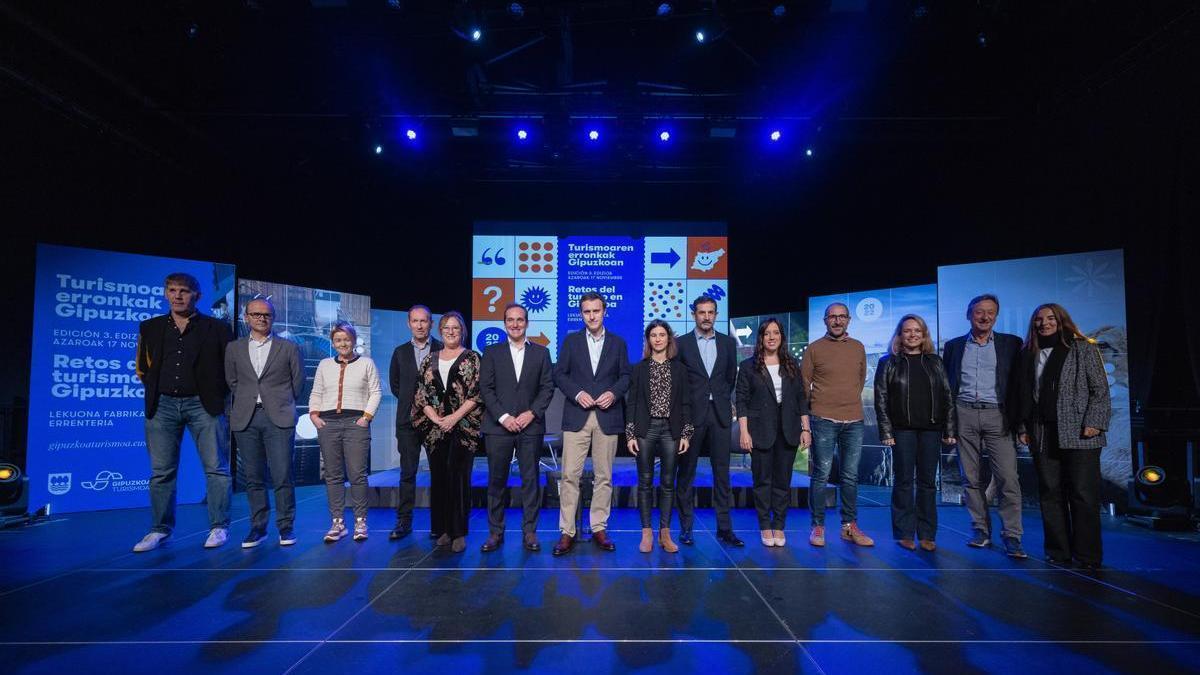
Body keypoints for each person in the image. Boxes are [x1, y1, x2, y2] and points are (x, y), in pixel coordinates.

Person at [132, 272, 234, 553]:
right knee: (161, 472)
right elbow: (143, 368)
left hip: (204, 405)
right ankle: (160, 530)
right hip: (162, 405)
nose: (177, 296)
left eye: (184, 291)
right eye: (173, 290)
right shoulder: (150, 327)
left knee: (216, 469)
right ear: (166, 294)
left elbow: (230, 369)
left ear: (197, 296)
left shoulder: (217, 328)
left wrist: (219, 397)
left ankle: (219, 526)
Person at [1017, 303, 1111, 569]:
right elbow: (1025, 395)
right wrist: (1024, 428)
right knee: (1050, 493)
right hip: (1042, 431)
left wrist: (1094, 422)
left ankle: (1088, 555)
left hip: (1081, 432)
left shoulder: (1083, 348)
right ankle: (1058, 551)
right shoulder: (1029, 353)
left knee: (1082, 494)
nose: (1044, 323)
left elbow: (1100, 389)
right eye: (1038, 319)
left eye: (1050, 318)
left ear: (1061, 321)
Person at [942, 294, 1027, 558]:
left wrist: (1022, 425)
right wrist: (949, 426)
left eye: (990, 312)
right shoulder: (955, 346)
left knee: (1007, 479)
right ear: (969, 315)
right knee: (971, 478)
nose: (985, 317)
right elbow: (947, 387)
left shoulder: (1011, 344)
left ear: (996, 316)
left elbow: (1018, 387)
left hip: (998, 416)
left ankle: (1012, 535)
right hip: (964, 412)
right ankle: (980, 530)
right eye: (979, 312)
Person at [551, 292, 631, 556]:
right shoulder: (571, 341)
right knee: (570, 476)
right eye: (587, 311)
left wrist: (614, 393)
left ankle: (598, 527)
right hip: (577, 416)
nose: (592, 316)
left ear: (604, 311)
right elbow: (559, 374)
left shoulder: (618, 343)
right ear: (581, 313)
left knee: (604, 477)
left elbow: (625, 376)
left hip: (607, 417)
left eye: (596, 311)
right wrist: (577, 393)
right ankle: (567, 531)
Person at [225, 298, 304, 548]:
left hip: (278, 417)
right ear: (246, 317)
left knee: (282, 475)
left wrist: (279, 401)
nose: (261, 318)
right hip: (246, 417)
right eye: (256, 314)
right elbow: (232, 382)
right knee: (253, 477)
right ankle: (258, 527)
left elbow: (298, 383)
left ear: (273, 318)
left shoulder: (289, 347)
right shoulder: (234, 348)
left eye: (266, 315)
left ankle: (286, 526)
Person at [874, 314, 956, 552]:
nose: (912, 335)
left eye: (917, 331)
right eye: (907, 331)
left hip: (931, 429)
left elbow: (947, 396)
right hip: (902, 431)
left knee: (928, 483)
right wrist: (886, 431)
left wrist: (949, 428)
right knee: (903, 482)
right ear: (900, 335)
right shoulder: (888, 362)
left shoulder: (935, 362)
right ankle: (905, 532)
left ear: (924, 335)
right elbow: (881, 399)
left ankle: (927, 534)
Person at [479, 303, 555, 553]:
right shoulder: (491, 352)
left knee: (530, 481)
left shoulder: (542, 353)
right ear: (504, 324)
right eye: (510, 320)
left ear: (527, 323)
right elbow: (486, 389)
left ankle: (530, 532)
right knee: (496, 481)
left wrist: (530, 414)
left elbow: (547, 388)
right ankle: (495, 532)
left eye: (519, 320)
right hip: (498, 427)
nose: (515, 324)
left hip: (530, 427)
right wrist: (503, 416)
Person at [801, 303, 873, 547]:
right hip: (823, 420)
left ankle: (849, 526)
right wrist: (809, 420)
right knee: (821, 475)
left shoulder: (858, 347)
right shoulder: (814, 349)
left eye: (842, 317)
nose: (837, 321)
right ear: (825, 320)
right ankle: (817, 526)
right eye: (833, 317)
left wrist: (845, 403)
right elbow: (804, 386)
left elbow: (859, 381)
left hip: (854, 421)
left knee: (850, 477)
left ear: (849, 320)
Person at [674, 295, 742, 547]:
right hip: (691, 415)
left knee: (721, 474)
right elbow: (679, 382)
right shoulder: (681, 344)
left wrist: (721, 398)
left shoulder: (727, 343)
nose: (706, 316)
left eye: (710, 312)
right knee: (686, 473)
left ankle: (725, 529)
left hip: (720, 414)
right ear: (694, 315)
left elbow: (730, 377)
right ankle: (686, 529)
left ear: (716, 314)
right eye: (701, 312)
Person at [412, 311, 482, 554]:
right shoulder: (428, 359)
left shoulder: (473, 358)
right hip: (434, 430)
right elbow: (421, 394)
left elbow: (476, 394)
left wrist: (453, 418)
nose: (451, 331)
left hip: (463, 428)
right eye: (446, 328)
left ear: (462, 331)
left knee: (459, 479)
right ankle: (442, 529)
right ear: (439, 331)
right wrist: (436, 419)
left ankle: (459, 532)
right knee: (439, 479)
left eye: (456, 328)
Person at [736, 318, 810, 547]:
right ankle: (765, 526)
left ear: (781, 337)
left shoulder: (791, 364)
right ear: (761, 337)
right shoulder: (749, 366)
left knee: (782, 482)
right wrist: (744, 432)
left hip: (788, 429)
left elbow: (800, 399)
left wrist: (805, 428)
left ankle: (779, 525)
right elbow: (742, 401)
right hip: (760, 431)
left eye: (776, 333)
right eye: (767, 333)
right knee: (762, 482)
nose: (771, 337)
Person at [310, 321, 382, 543]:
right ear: (333, 342)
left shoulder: (366, 363)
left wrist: (366, 418)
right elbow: (317, 391)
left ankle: (360, 521)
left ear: (353, 340)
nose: (342, 343)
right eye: (338, 340)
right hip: (328, 423)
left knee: (357, 475)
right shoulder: (324, 364)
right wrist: (314, 416)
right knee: (332, 475)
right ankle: (337, 523)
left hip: (355, 423)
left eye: (346, 339)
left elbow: (376, 392)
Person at [626, 320, 693, 553]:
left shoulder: (680, 369)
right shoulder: (639, 368)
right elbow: (632, 403)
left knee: (667, 483)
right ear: (648, 340)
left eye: (661, 334)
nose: (657, 339)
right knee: (644, 482)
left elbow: (686, 404)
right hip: (646, 429)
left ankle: (665, 533)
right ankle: (647, 534)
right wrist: (630, 434)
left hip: (671, 430)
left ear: (668, 338)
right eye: (653, 335)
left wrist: (686, 433)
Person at [388, 305, 443, 540]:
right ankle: (404, 521)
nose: (420, 325)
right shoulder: (400, 352)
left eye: (424, 321)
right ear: (408, 323)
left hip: (437, 423)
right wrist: (417, 407)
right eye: (415, 321)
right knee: (407, 473)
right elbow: (396, 386)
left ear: (431, 324)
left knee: (440, 473)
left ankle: (439, 524)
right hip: (408, 422)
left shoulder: (443, 349)